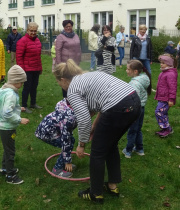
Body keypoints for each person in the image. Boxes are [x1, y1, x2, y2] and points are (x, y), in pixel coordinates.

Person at [53, 59, 141, 204]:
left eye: (58, 82)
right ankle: (112, 186)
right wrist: (95, 126)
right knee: (110, 144)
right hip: (134, 102)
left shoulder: (72, 90)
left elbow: (84, 119)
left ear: (62, 79)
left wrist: (81, 144)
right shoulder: (88, 76)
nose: (60, 85)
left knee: (97, 152)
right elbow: (102, 104)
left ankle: (96, 193)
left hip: (118, 108)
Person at [0, 65, 29, 184]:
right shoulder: (11, 94)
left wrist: (19, 108)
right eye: (22, 82)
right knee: (10, 151)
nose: (23, 84)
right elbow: (7, 113)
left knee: (7, 148)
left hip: (3, 126)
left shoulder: (6, 90)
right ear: (16, 81)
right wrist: (20, 119)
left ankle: (4, 168)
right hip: (7, 127)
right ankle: (10, 176)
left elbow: (8, 107)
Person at [35, 98, 77, 178]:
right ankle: (57, 169)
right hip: (47, 133)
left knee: (71, 140)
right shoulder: (69, 118)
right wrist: (68, 160)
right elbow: (65, 140)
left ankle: (64, 162)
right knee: (69, 143)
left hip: (48, 129)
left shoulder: (67, 106)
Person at [122, 60, 151, 158]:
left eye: (128, 69)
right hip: (141, 108)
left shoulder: (134, 84)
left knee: (132, 130)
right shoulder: (144, 78)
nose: (126, 71)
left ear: (135, 71)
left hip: (135, 110)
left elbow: (133, 99)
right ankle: (139, 149)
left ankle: (128, 151)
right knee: (138, 129)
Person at [16, 22, 42, 114]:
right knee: (27, 87)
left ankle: (33, 103)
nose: (33, 32)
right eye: (31, 31)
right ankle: (24, 106)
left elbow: (38, 56)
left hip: (36, 68)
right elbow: (19, 56)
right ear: (27, 30)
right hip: (27, 69)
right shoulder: (22, 41)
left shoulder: (37, 40)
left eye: (35, 31)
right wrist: (22, 69)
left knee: (34, 86)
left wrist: (40, 68)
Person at [56, 20, 81, 97]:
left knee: (75, 80)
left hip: (75, 63)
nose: (68, 28)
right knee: (66, 81)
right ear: (64, 27)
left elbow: (79, 47)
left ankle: (74, 97)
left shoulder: (75, 35)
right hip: (65, 63)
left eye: (70, 26)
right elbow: (58, 50)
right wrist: (60, 64)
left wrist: (79, 58)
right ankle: (66, 98)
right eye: (66, 26)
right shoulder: (60, 37)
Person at [154, 54, 178, 138]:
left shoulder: (170, 74)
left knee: (159, 112)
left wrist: (171, 99)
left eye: (163, 63)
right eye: (161, 62)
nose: (161, 64)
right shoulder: (164, 72)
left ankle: (167, 128)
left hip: (166, 98)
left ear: (169, 64)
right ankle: (166, 129)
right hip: (162, 97)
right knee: (163, 112)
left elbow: (173, 88)